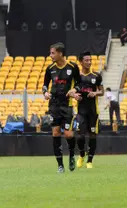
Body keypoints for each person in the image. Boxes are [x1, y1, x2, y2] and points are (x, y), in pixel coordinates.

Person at [42, 42, 81, 173]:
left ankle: (71, 155)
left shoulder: (73, 67)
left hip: (67, 105)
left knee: (68, 134)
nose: (50, 55)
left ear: (60, 53)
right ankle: (60, 165)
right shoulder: (50, 68)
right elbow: (45, 85)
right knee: (55, 132)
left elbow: (80, 84)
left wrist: (74, 90)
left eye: (53, 53)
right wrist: (45, 92)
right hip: (54, 105)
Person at [76, 51, 104, 169]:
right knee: (80, 136)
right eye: (86, 60)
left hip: (93, 111)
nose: (89, 62)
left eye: (90, 60)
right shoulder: (77, 76)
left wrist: (95, 93)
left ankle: (90, 161)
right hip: (81, 111)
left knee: (92, 135)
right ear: (81, 62)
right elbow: (72, 89)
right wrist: (75, 95)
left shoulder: (96, 76)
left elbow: (102, 91)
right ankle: (82, 155)